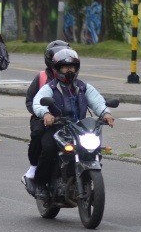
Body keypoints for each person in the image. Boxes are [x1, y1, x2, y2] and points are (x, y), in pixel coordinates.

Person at [30, 48, 115, 202]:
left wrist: (106, 113)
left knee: (94, 148)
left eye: (72, 67)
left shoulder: (83, 87)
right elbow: (38, 102)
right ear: (57, 69)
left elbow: (97, 101)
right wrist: (46, 114)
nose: (69, 70)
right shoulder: (51, 87)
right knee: (48, 149)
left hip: (79, 129)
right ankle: (41, 184)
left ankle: (84, 178)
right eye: (65, 67)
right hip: (57, 128)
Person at [21, 40, 71, 196]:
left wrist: (104, 112)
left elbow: (87, 97)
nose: (65, 64)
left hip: (66, 120)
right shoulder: (42, 77)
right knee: (42, 139)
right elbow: (30, 100)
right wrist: (43, 114)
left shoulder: (73, 78)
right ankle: (34, 170)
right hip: (43, 118)